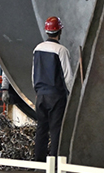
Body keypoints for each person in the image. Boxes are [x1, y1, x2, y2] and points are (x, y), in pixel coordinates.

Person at [31, 16, 74, 161]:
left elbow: (33, 74)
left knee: (41, 129)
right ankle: (54, 163)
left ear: (46, 31)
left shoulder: (37, 49)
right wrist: (72, 94)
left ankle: (39, 162)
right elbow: (68, 76)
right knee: (56, 130)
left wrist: (37, 91)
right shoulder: (61, 50)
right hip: (56, 96)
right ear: (60, 31)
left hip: (41, 95)